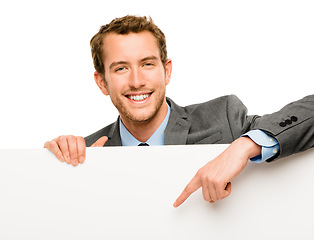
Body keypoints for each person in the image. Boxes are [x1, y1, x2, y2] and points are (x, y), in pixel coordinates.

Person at [44, 15, 314, 207]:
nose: (137, 80)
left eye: (148, 64)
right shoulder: (89, 153)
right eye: (121, 68)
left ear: (167, 70)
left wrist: (243, 147)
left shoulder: (224, 119)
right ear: (102, 81)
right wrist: (53, 169)